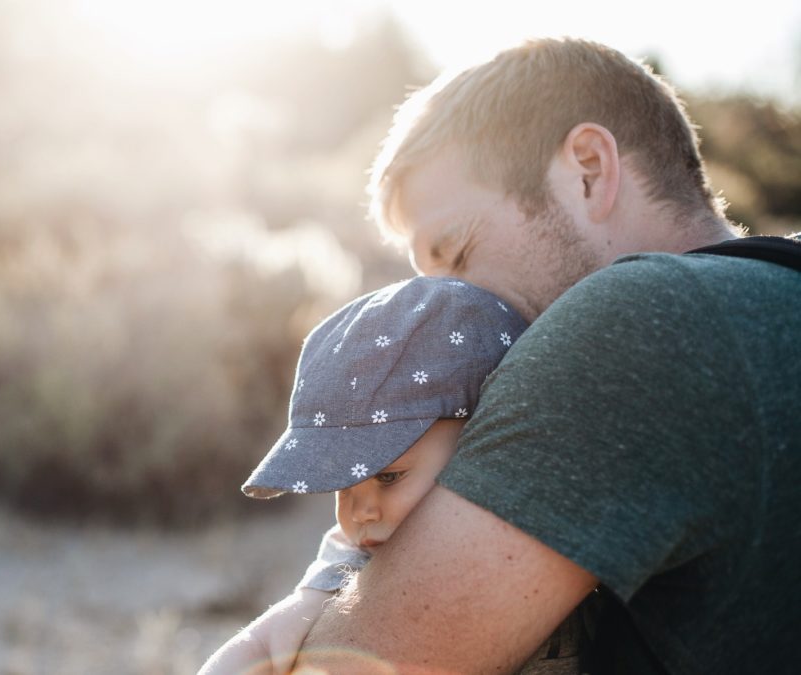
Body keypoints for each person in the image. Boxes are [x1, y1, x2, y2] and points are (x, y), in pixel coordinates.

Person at [289, 37, 801, 673]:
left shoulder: (634, 320)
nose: (446, 307)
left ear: (588, 168)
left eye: (457, 252)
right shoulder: (774, 296)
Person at [199, 276, 532, 674]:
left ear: (479, 438)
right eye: (342, 486)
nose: (361, 513)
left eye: (388, 477)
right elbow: (266, 638)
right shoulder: (359, 554)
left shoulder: (537, 527)